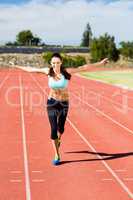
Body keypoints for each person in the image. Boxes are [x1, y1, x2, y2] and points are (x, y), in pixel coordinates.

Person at [11, 53, 108, 165]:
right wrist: (16, 65)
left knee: (61, 128)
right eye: (53, 63)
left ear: (61, 62)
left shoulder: (67, 72)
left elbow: (84, 68)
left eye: (57, 63)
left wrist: (100, 63)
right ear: (51, 63)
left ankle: (59, 138)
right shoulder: (48, 71)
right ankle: (57, 154)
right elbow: (31, 69)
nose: (55, 65)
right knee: (53, 129)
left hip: (64, 103)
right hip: (51, 102)